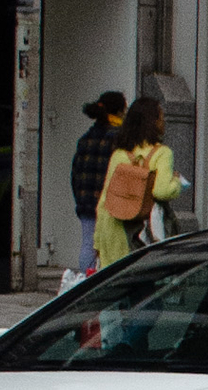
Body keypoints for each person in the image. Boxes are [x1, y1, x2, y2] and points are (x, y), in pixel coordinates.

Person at [92, 97, 181, 269]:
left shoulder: (119, 154)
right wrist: (176, 182)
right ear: (153, 122)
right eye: (161, 117)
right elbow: (161, 191)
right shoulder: (162, 153)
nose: (164, 122)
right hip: (142, 232)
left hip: (113, 229)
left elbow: (104, 201)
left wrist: (97, 241)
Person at [68, 88, 126, 270]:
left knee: (88, 245)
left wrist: (80, 198)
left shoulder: (85, 139)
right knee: (112, 248)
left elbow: (75, 173)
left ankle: (86, 282)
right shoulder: (119, 138)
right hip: (110, 204)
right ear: (118, 112)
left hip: (86, 203)